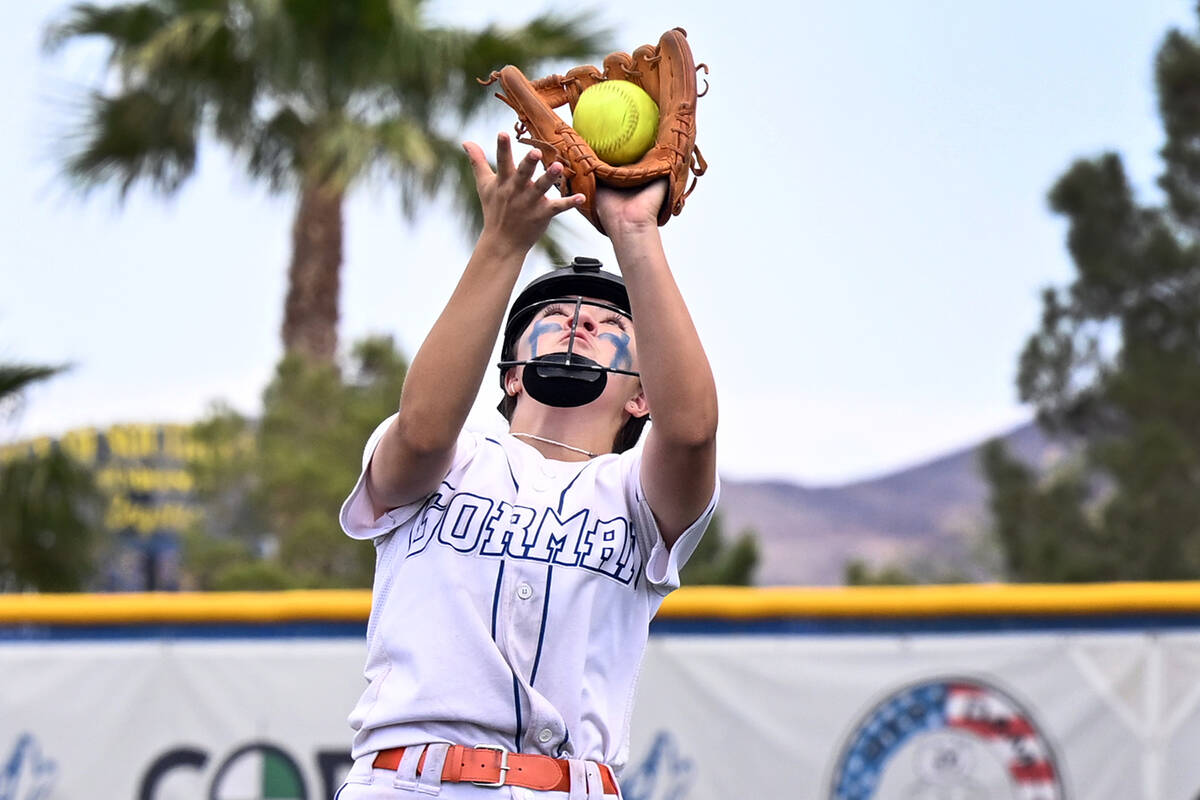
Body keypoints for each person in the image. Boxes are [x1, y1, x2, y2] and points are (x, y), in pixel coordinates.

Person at [334, 132, 719, 800]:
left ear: (643, 392)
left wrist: (635, 234)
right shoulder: (455, 457)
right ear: (510, 374)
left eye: (606, 321)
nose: (577, 323)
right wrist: (504, 243)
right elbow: (422, 430)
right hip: (413, 784)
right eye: (552, 315)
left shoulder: (633, 493)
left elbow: (690, 434)